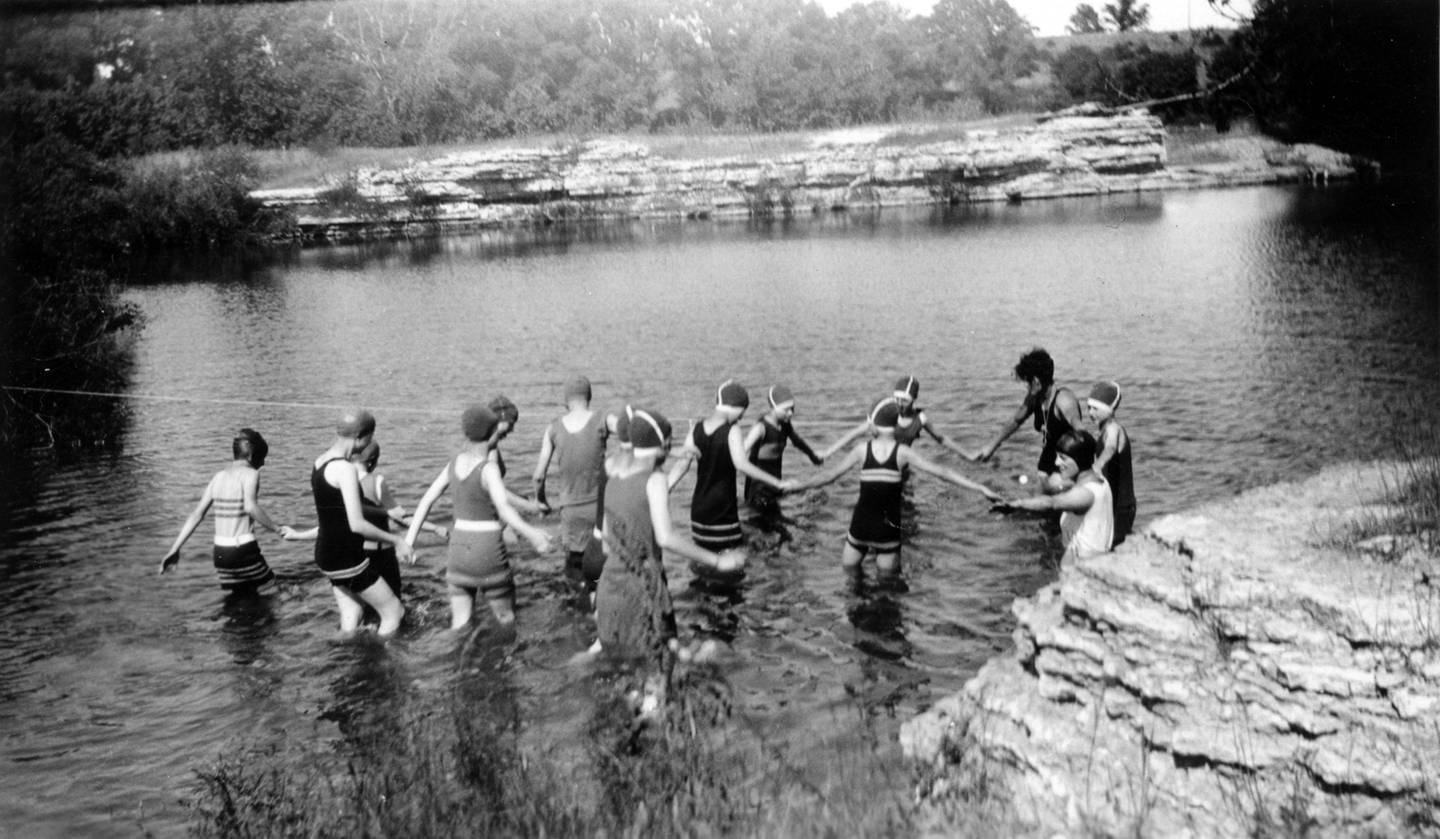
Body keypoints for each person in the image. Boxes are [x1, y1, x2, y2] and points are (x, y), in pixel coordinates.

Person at [594, 406, 745, 700]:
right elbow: (665, 537)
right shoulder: (655, 479)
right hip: (644, 590)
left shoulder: (613, 477)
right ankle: (658, 726)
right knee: (658, 675)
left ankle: (630, 723)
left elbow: (605, 542)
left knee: (627, 672)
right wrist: (718, 561)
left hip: (609, 589)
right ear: (664, 444)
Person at [791, 398, 1001, 578]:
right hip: (887, 532)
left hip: (860, 527)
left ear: (874, 423)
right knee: (888, 587)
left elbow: (829, 477)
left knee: (850, 578)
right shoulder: (903, 453)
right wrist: (980, 488)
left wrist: (795, 487)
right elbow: (942, 473)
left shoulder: (862, 450)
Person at [407, 404, 553, 630]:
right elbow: (504, 509)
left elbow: (426, 500)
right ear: (493, 432)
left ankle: (458, 664)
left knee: (460, 623)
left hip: (458, 551)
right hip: (487, 551)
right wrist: (533, 534)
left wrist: (408, 542)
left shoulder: (452, 464)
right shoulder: (488, 469)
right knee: (506, 620)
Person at [285, 439, 448, 602]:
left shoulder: (338, 479)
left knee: (362, 606)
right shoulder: (377, 482)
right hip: (381, 554)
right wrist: (434, 528)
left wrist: (298, 535)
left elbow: (329, 527)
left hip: (355, 555)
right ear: (373, 461)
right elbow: (401, 518)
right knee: (394, 602)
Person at [306, 410, 412, 636]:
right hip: (347, 557)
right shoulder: (345, 469)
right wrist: (397, 540)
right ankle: (384, 663)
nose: (368, 444)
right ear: (360, 437)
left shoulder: (320, 462)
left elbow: (337, 511)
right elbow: (357, 524)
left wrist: (384, 514)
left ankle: (341, 659)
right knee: (394, 612)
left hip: (326, 554)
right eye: (370, 438)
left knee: (352, 611)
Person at [666, 380, 792, 567]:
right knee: (734, 565)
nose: (741, 418)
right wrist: (777, 482)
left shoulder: (696, 428)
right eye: (742, 412)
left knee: (706, 558)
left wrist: (666, 488)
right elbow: (741, 463)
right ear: (734, 407)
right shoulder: (732, 430)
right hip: (722, 511)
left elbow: (682, 465)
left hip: (699, 513)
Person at [159, 428, 291, 593]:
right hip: (242, 549)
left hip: (220, 554)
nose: (263, 464)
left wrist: (174, 549)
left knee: (243, 599)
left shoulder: (218, 477)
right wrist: (277, 529)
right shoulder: (251, 474)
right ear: (252, 455)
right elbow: (250, 507)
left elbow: (196, 515)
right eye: (262, 458)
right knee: (279, 591)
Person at [532, 376, 612, 577]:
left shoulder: (553, 428)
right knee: (604, 566)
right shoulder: (603, 419)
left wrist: (541, 501)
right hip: (600, 508)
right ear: (590, 397)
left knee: (575, 568)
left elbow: (538, 476)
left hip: (571, 510)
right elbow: (629, 429)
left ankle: (576, 604)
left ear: (565, 401)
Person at [993, 430, 1113, 562]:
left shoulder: (1085, 494)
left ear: (1080, 459)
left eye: (1063, 458)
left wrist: (1018, 504)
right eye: (1057, 456)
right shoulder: (1099, 479)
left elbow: (1052, 503)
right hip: (1090, 563)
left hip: (1083, 570)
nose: (1057, 462)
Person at [977, 348, 1083, 485]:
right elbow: (1016, 420)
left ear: (1036, 382)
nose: (1025, 387)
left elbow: (1083, 435)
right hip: (1048, 459)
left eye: (1027, 382)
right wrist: (991, 447)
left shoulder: (1064, 400)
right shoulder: (1035, 397)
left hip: (1067, 462)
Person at [821, 375, 981, 461]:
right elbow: (855, 433)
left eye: (905, 401)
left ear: (914, 400)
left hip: (903, 465)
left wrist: (968, 455)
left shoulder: (920, 419)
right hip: (879, 465)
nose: (899, 404)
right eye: (896, 399)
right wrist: (828, 452)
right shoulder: (886, 416)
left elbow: (941, 438)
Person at [741, 384, 823, 522]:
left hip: (775, 484)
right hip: (758, 490)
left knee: (814, 502)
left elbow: (797, 441)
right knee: (780, 527)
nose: (791, 413)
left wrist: (812, 456)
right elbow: (740, 453)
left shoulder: (785, 425)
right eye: (786, 409)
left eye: (792, 408)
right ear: (773, 408)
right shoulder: (761, 428)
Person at [1087, 380, 1136, 546]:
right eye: (1089, 408)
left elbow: (1110, 448)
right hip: (1112, 501)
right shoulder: (1103, 429)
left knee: (1115, 544)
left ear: (1110, 409)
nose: (1091, 413)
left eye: (1096, 409)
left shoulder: (1113, 429)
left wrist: (1097, 466)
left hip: (1122, 504)